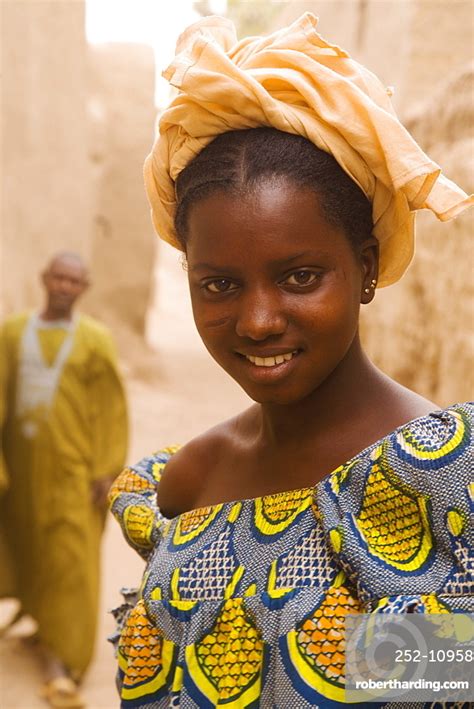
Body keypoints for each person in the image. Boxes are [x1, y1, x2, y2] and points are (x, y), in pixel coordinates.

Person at [109, 13, 473, 708]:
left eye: (301, 276)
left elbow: (447, 685)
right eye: (219, 284)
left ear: (365, 269)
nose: (258, 319)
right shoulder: (190, 484)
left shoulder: (440, 480)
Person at [0, 252, 128, 708]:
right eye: (58, 277)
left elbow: (111, 409)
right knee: (30, 546)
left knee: (70, 560)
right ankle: (40, 626)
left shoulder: (95, 340)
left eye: (74, 281)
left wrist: (107, 467)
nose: (64, 287)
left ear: (84, 287)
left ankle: (64, 662)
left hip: (73, 472)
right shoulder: (13, 332)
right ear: (43, 279)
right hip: (21, 469)